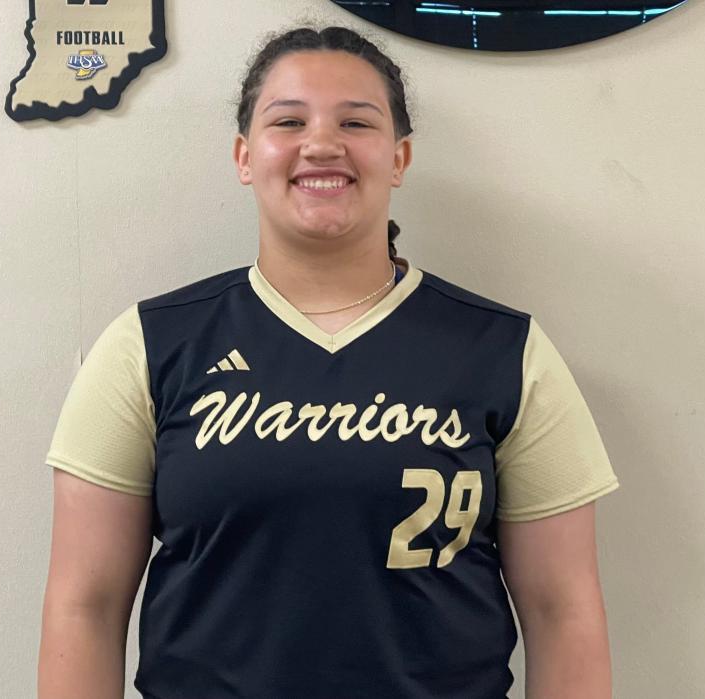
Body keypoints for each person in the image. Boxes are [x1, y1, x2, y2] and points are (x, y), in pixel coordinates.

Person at [38, 26, 620, 699]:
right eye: (288, 120)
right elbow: (85, 604)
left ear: (398, 157)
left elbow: (563, 609)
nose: (321, 142)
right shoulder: (147, 345)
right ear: (245, 155)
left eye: (356, 121)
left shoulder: (505, 351)